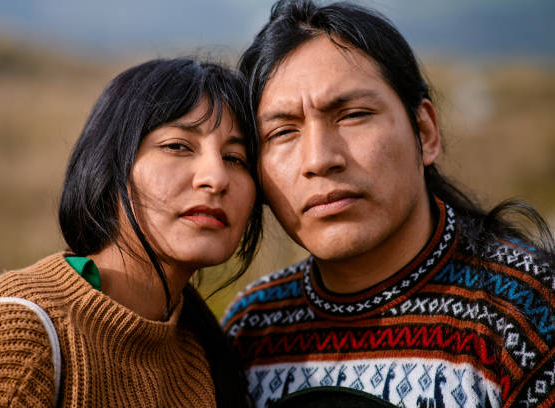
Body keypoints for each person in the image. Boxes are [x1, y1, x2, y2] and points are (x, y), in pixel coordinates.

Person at [222, 1, 555, 407]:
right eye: (282, 132)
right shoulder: (252, 330)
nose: (319, 159)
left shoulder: (526, 311)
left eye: (353, 115)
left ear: (425, 132)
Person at [0, 58, 262, 407]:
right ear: (107, 165)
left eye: (236, 159)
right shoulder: (23, 333)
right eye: (178, 146)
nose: (216, 179)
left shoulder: (203, 349)